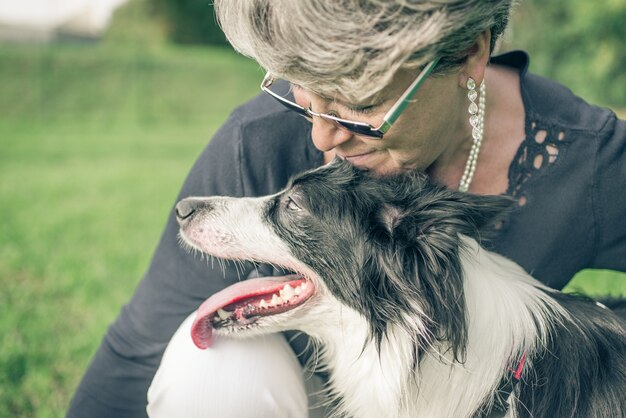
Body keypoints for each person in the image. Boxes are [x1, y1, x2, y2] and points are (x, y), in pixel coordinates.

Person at [67, 1, 626, 417]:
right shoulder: (258, 141)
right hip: (303, 400)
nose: (321, 136)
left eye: (359, 102)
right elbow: (134, 355)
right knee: (216, 373)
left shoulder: (588, 161)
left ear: (470, 53)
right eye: (305, 91)